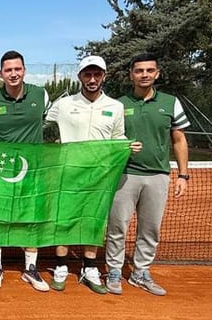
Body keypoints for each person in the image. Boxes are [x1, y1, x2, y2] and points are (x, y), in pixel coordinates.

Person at [45, 55, 141, 293]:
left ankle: (89, 268)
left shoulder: (115, 107)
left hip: (99, 177)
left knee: (94, 222)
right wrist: (54, 144)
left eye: (97, 74)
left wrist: (127, 146)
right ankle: (61, 267)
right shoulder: (63, 105)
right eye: (87, 74)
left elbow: (118, 137)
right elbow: (46, 129)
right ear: (80, 77)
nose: (92, 79)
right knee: (63, 221)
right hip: (67, 174)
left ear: (103, 76)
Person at [104, 53, 190, 296]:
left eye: (149, 70)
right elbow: (109, 141)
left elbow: (179, 139)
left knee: (150, 228)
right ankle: (113, 271)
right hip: (124, 175)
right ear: (131, 74)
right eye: (139, 71)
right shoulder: (118, 104)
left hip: (158, 176)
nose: (144, 75)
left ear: (157, 74)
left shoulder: (170, 102)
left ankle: (140, 272)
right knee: (117, 226)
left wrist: (183, 176)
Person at [0, 51, 50, 292]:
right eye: (8, 70)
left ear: (24, 70)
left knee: (30, 219)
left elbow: (55, 120)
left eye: (17, 69)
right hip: (1, 170)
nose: (13, 73)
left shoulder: (41, 95)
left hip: (33, 171)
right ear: (1, 73)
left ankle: (30, 269)